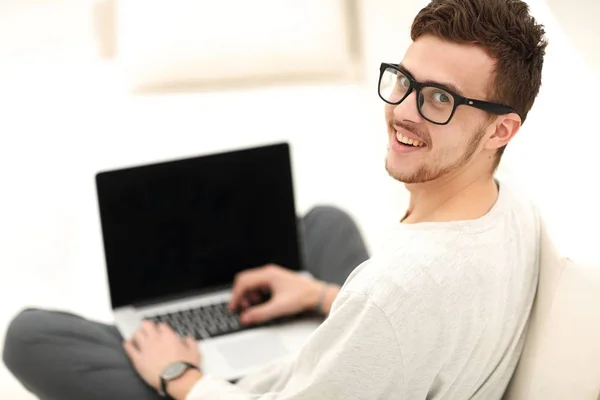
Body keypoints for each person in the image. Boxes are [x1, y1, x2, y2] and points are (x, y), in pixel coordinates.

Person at [3, 0, 549, 398]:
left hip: (256, 389)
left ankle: (169, 341)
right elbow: (412, 325)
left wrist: (181, 376)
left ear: (502, 130)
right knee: (325, 223)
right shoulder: (513, 205)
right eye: (404, 80)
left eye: (439, 99)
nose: (403, 110)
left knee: (30, 336)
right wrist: (317, 294)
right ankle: (243, 318)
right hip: (371, 348)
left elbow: (394, 310)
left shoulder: (394, 293)